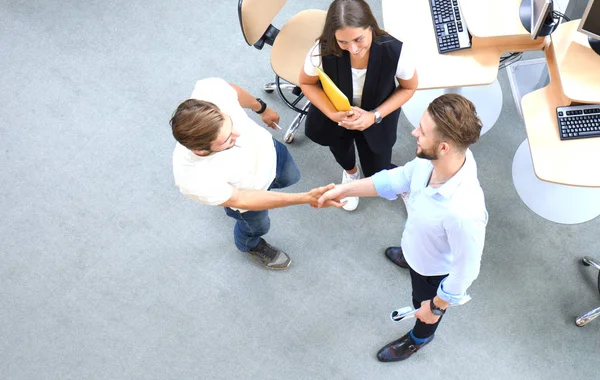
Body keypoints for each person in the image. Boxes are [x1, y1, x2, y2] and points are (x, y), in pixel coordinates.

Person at [318, 94, 488, 361]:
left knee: (421, 306)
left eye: (422, 130)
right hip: (418, 243)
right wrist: (345, 189)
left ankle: (419, 338)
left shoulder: (464, 213)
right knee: (414, 251)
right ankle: (409, 257)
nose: (413, 132)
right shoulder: (435, 158)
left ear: (443, 147)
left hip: (431, 272)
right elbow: (401, 178)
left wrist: (436, 307)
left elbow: (466, 272)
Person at [170, 78, 341, 270]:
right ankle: (249, 244)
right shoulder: (193, 178)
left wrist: (261, 108)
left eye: (231, 124)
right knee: (258, 227)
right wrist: (304, 198)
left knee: (291, 177)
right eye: (228, 139)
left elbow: (232, 91)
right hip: (246, 193)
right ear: (201, 151)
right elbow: (242, 199)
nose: (239, 134)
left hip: (271, 153)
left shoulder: (209, 91)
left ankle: (227, 194)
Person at [299, 0, 418, 211]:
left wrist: (374, 116)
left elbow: (409, 87)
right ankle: (351, 175)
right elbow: (306, 82)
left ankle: (396, 183)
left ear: (371, 27)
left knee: (378, 165)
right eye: (343, 42)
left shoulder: (394, 51)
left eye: (358, 39)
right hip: (337, 117)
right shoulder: (322, 49)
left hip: (377, 117)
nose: (353, 49)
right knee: (341, 151)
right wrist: (331, 113)